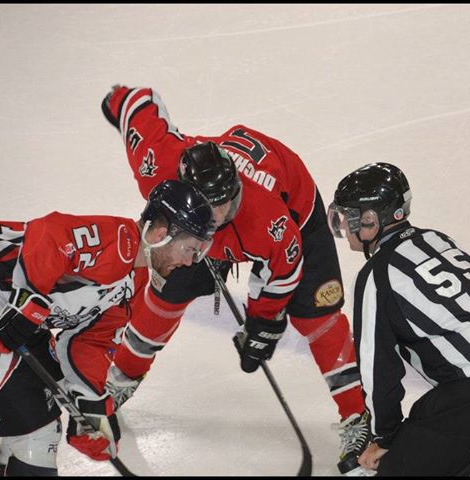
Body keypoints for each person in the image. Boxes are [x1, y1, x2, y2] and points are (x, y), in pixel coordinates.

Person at [100, 85, 370, 474]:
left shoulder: (268, 222)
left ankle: (358, 415)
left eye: (225, 204)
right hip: (192, 220)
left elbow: (285, 271)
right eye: (210, 208)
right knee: (166, 292)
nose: (219, 214)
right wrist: (120, 98)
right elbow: (142, 110)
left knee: (318, 314)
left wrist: (264, 321)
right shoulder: (159, 164)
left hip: (296, 211)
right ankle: (122, 376)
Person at [0, 180, 215, 475]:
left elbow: (90, 341)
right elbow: (51, 235)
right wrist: (26, 301)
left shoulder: (136, 280)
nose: (189, 262)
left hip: (6, 311)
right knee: (35, 432)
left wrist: (95, 407)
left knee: (42, 410)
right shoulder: (117, 240)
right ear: (161, 235)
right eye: (189, 250)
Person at [327, 162, 470, 476]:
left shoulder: (376, 276)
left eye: (348, 216)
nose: (344, 225)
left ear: (370, 220)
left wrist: (386, 438)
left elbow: (378, 369)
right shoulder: (435, 240)